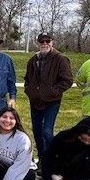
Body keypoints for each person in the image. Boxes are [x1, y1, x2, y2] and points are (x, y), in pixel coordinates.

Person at [24, 32, 73, 167]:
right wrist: (30, 91)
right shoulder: (33, 60)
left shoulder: (60, 59)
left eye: (47, 41)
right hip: (35, 102)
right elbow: (27, 79)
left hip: (52, 101)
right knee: (37, 132)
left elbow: (67, 80)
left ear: (52, 42)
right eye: (42, 42)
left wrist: (52, 92)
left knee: (47, 131)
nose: (44, 44)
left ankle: (52, 160)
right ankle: (42, 160)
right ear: (38, 43)